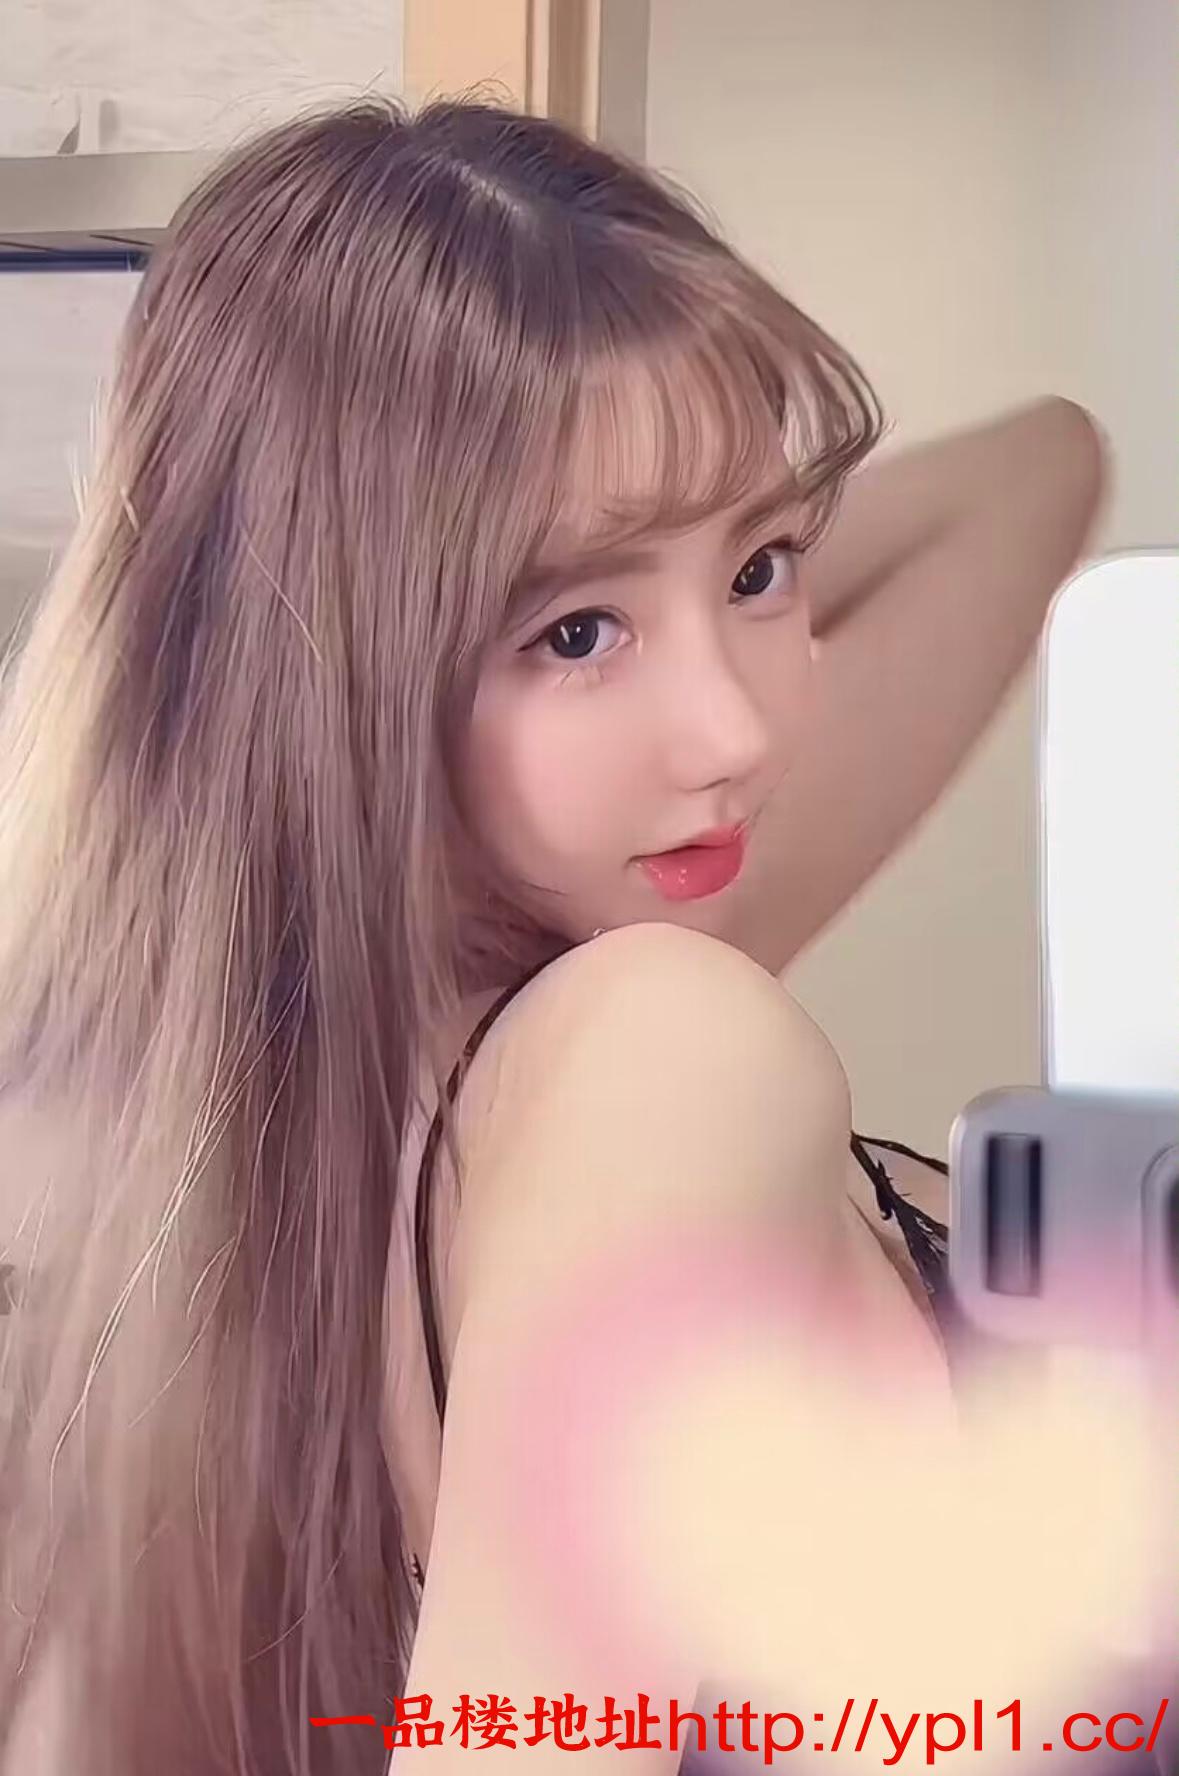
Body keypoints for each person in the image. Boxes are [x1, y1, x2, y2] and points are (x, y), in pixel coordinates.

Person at [0, 97, 1120, 1776]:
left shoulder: (284, 1110)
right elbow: (1038, 473)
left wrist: (651, 557)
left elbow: (1039, 473)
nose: (737, 734)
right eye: (575, 632)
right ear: (342, 680)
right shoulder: (659, 1049)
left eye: (767, 570)